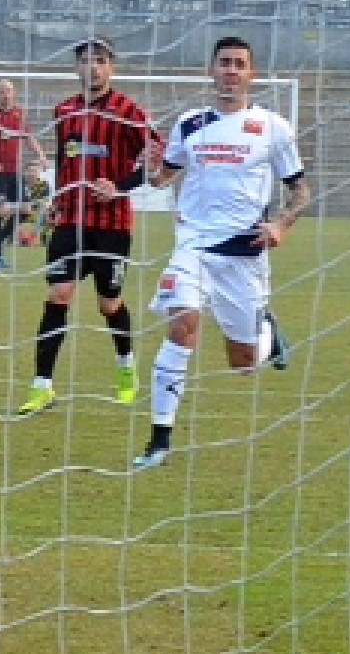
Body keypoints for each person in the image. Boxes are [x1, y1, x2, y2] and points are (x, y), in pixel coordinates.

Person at [131, 36, 310, 471]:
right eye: (224, 63)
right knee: (183, 326)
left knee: (244, 363)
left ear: (252, 75)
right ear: (211, 70)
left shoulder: (272, 127)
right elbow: (161, 181)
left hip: (244, 253)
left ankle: (269, 335)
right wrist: (150, 165)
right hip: (192, 245)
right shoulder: (191, 124)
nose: (231, 71)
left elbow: (301, 191)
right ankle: (159, 440)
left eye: (239, 64)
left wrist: (281, 225)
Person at [14, 37, 158, 418]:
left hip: (112, 226)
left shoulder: (129, 111)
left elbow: (159, 158)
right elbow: (64, 160)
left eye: (100, 60)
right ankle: (42, 386)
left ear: (113, 67)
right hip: (70, 222)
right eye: (85, 61)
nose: (92, 67)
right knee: (59, 294)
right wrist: (53, 203)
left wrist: (121, 187)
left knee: (108, 304)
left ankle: (126, 365)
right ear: (76, 68)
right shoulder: (64, 111)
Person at [0, 79, 48, 270]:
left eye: (8, 91)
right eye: (1, 91)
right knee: (0, 211)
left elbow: (29, 138)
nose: (5, 94)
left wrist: (41, 155)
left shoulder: (19, 114)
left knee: (26, 211)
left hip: (16, 172)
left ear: (14, 93)